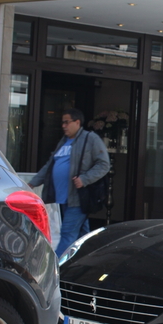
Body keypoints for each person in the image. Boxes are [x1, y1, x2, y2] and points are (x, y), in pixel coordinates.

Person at [29, 108, 110, 257]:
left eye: (67, 122)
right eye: (62, 122)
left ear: (77, 122)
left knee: (67, 234)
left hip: (78, 198)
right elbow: (50, 165)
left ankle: (55, 268)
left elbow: (104, 164)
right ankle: (90, 261)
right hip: (63, 198)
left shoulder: (90, 138)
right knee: (81, 235)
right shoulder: (63, 142)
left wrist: (84, 179)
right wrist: (32, 183)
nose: (63, 126)